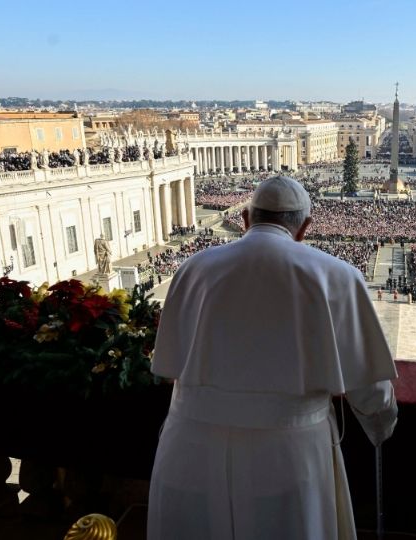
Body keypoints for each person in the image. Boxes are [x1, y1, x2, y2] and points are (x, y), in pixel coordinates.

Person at [149, 176, 398, 540]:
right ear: (305, 228)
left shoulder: (192, 269)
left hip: (189, 446)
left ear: (247, 218)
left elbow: (169, 364)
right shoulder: (338, 276)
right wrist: (382, 426)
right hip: (288, 455)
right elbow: (370, 390)